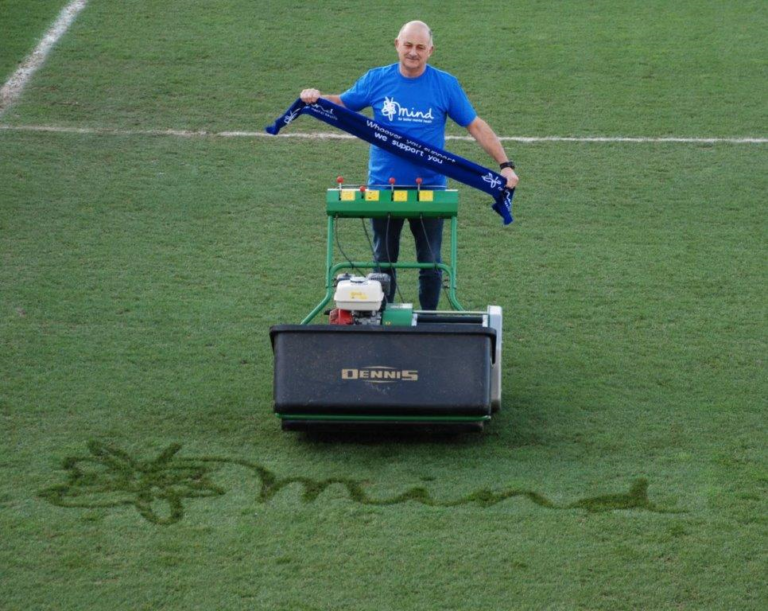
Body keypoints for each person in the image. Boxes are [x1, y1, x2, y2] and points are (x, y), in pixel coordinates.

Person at [301, 20, 518, 310]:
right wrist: (315, 99)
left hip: (429, 191)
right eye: (407, 45)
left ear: (430, 50)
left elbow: (475, 125)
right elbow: (342, 102)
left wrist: (505, 164)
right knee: (383, 261)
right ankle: (381, 320)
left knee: (430, 262)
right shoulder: (377, 79)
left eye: (419, 47)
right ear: (396, 45)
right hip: (383, 190)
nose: (412, 52)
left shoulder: (445, 84)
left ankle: (428, 322)